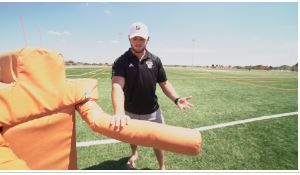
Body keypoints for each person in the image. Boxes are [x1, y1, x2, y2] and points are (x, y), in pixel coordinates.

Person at [111, 22, 193, 170]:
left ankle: (162, 167)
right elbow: (117, 85)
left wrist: (176, 99)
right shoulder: (121, 61)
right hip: (129, 111)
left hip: (152, 111)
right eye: (135, 38)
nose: (138, 42)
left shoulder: (155, 60)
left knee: (158, 141)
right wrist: (119, 112)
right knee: (132, 137)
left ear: (148, 39)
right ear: (129, 39)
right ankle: (135, 154)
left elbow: (164, 83)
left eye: (141, 39)